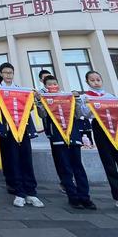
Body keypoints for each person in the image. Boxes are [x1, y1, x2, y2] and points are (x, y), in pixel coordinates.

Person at [35, 75, 96, 210]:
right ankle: (73, 197)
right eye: (49, 84)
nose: (53, 86)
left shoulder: (67, 97)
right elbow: (42, 115)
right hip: (58, 138)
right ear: (46, 87)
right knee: (65, 168)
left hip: (73, 136)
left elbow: (79, 113)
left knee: (78, 167)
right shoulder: (46, 100)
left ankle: (85, 197)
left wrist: (77, 99)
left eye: (54, 83)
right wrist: (39, 102)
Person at [0, 62, 44, 208]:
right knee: (12, 160)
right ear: (1, 74)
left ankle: (31, 192)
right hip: (8, 131)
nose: (8, 75)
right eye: (5, 73)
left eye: (10, 73)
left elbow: (31, 108)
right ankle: (19, 192)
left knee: (26, 159)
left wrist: (37, 98)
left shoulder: (21, 90)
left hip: (23, 129)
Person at [80, 70, 118, 206]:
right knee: (109, 162)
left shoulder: (110, 96)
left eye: (98, 79)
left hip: (115, 127)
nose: (96, 82)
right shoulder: (85, 97)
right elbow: (84, 113)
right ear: (87, 82)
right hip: (100, 127)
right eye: (92, 80)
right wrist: (93, 107)